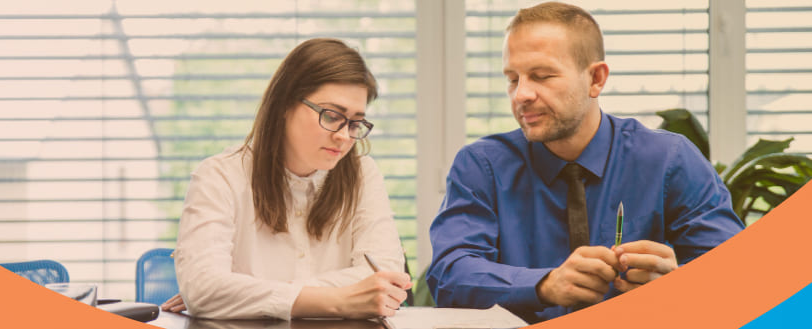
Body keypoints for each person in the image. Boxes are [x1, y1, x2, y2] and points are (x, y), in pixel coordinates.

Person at [426, 2, 744, 323]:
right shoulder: (482, 166)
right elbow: (449, 274)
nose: (521, 94)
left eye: (541, 76)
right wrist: (544, 285)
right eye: (512, 79)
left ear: (596, 79)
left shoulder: (670, 160)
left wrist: (675, 287)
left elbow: (735, 278)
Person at [160, 38, 412, 320]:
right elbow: (205, 289)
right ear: (284, 104)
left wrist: (243, 293)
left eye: (355, 123)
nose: (343, 136)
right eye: (331, 116)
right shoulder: (219, 177)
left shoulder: (364, 174)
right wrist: (339, 300)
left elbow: (385, 278)